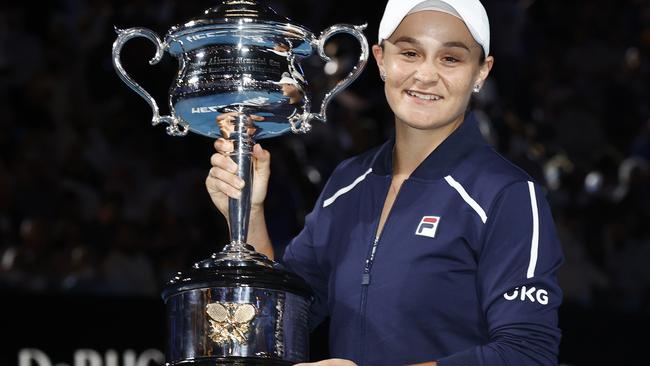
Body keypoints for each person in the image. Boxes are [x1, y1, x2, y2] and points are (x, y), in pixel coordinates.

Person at [205, 0, 564, 365]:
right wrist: (249, 211)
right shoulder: (348, 183)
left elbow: (527, 353)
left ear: (481, 73)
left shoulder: (507, 194)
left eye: (450, 59)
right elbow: (278, 323)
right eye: (409, 53)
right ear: (380, 60)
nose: (425, 75)